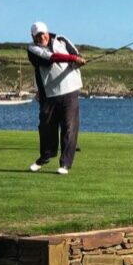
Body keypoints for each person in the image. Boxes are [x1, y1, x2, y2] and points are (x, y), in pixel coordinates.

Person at [27, 21, 86, 175]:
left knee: (69, 127)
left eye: (43, 33)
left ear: (48, 32)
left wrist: (78, 60)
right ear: (33, 37)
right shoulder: (32, 49)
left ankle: (65, 164)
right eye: (38, 35)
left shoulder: (62, 40)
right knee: (46, 126)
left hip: (70, 89)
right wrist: (73, 59)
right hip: (50, 94)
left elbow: (75, 54)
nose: (42, 37)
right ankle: (46, 156)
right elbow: (51, 58)